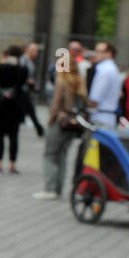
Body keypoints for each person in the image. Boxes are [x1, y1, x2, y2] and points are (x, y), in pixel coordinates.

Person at [34, 51, 87, 199]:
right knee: (63, 155)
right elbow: (84, 102)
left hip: (60, 120)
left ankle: (49, 188)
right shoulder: (79, 80)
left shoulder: (61, 80)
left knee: (50, 154)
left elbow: (56, 104)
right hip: (73, 122)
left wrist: (50, 120)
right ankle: (59, 188)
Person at [0, 46, 28, 174]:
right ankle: (12, 165)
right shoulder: (23, 69)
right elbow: (23, 84)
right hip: (15, 106)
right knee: (14, 136)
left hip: (0, 104)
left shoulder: (1, 67)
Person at [88, 40, 122, 130]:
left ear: (109, 54)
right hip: (108, 116)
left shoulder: (104, 70)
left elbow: (95, 98)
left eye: (100, 52)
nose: (96, 54)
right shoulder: (112, 68)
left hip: (100, 118)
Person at [18, 42, 44, 137]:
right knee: (29, 110)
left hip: (26, 90)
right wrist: (28, 81)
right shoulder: (23, 60)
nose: (36, 53)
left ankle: (39, 128)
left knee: (30, 110)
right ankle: (39, 128)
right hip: (22, 90)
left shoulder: (28, 61)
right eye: (36, 51)